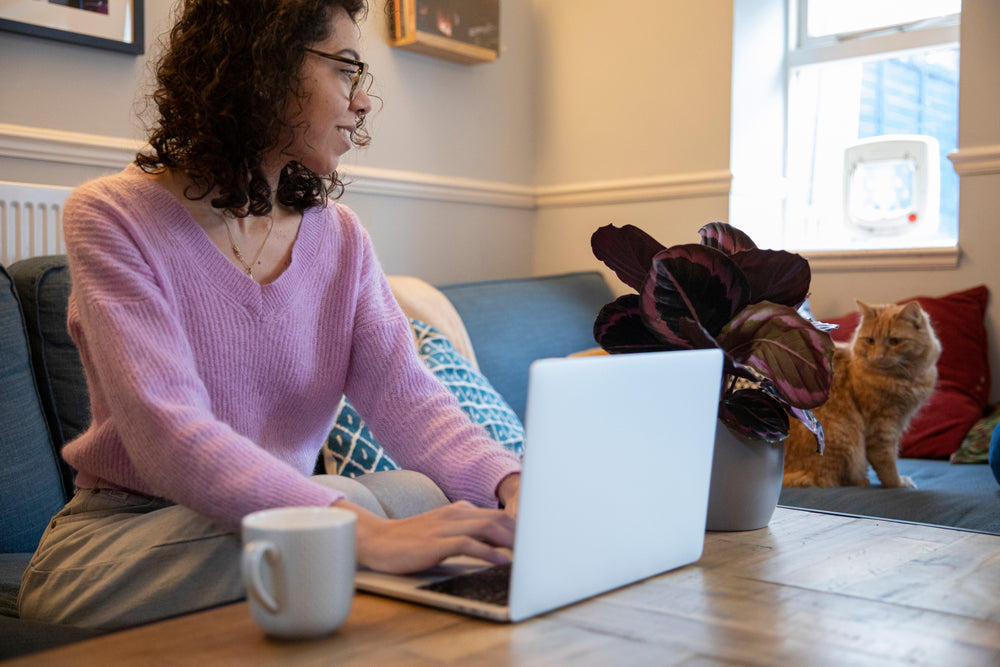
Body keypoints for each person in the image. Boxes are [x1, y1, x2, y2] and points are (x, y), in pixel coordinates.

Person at [17, 0, 521, 630]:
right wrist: (357, 530)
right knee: (368, 511)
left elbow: (407, 396)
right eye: (346, 69)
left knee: (419, 496)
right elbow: (167, 432)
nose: (363, 102)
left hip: (288, 520)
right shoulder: (112, 215)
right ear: (265, 64)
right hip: (123, 541)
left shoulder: (340, 237)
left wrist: (511, 483)